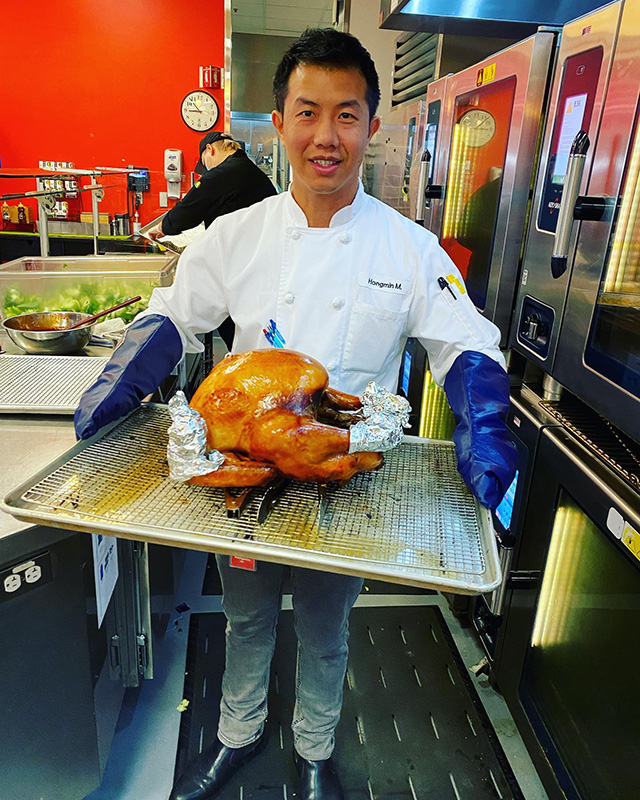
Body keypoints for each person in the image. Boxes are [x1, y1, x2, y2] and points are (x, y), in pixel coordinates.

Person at [74, 28, 517, 800]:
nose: (326, 136)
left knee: (325, 628)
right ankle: (236, 738)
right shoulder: (235, 237)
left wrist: (484, 413)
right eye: (308, 112)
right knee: (243, 619)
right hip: (242, 478)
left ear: (372, 128)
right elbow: (175, 316)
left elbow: (465, 342)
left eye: (347, 115)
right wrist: (121, 376)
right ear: (278, 121)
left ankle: (314, 751)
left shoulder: (408, 249)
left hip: (339, 482)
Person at [147, 131, 277, 348]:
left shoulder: (225, 172)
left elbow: (190, 208)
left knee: (240, 337)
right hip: (259, 266)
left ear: (210, 149)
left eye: (204, 163)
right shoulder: (249, 171)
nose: (205, 169)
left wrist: (162, 227)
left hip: (241, 270)